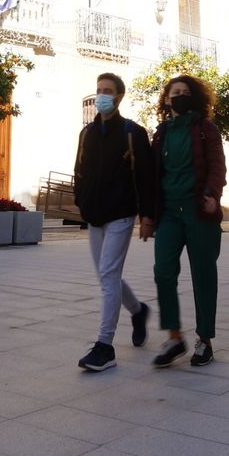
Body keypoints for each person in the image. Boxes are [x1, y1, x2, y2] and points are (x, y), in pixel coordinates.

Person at [140, 73, 226, 368]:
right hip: (169, 215)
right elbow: (153, 177)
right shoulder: (162, 132)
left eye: (184, 91)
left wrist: (213, 195)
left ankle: (205, 340)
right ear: (166, 99)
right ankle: (175, 338)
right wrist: (148, 216)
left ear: (194, 97)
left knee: (203, 276)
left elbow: (217, 166)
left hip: (199, 210)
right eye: (174, 92)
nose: (178, 95)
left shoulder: (205, 128)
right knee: (163, 271)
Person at [71, 72, 153, 372]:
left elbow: (145, 177)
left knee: (107, 275)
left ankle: (105, 346)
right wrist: (81, 201)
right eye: (99, 90)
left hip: (121, 213)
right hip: (94, 215)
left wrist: (147, 216)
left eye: (108, 90)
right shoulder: (87, 134)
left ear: (119, 96)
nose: (102, 95)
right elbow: (79, 170)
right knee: (108, 276)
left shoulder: (133, 132)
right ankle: (138, 310)